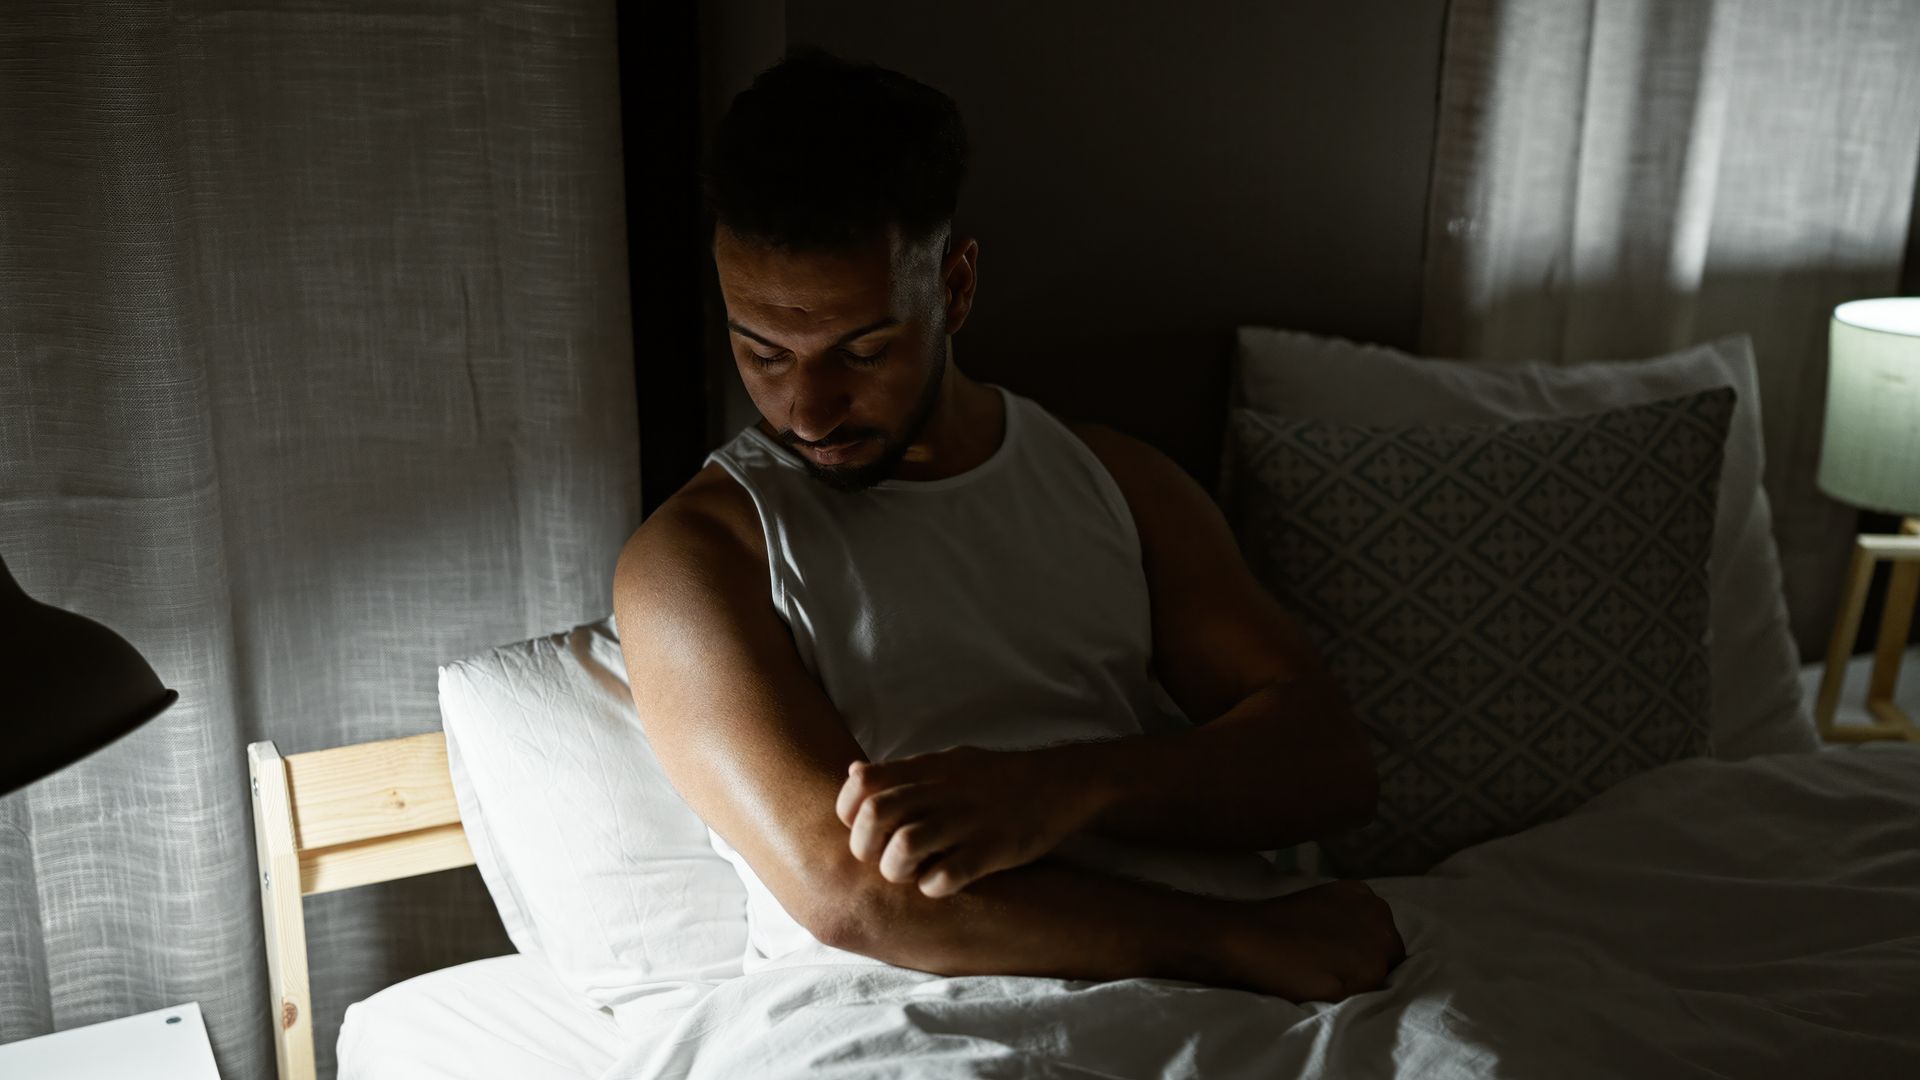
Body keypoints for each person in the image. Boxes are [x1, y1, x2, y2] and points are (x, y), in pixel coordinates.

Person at [612, 46, 1404, 1004]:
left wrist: (1059, 789)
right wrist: (1235, 941)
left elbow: (1329, 763)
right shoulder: (699, 557)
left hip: (1232, 984)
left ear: (953, 289)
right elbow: (850, 896)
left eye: (862, 351)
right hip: (914, 1013)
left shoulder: (1118, 482)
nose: (808, 412)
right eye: (764, 353)